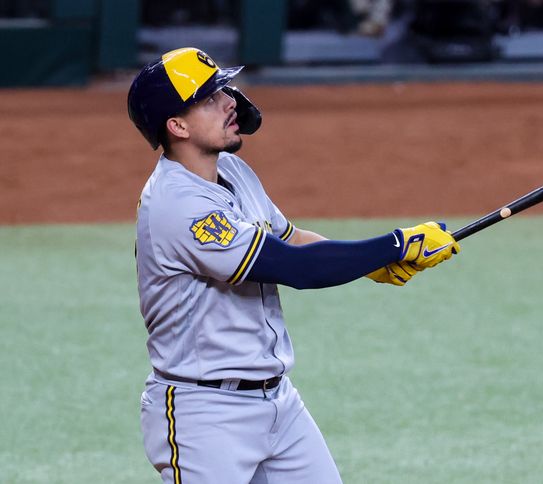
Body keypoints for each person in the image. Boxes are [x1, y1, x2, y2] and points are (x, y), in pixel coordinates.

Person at [127, 47, 460, 483]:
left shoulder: (233, 170)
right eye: (210, 98)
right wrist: (394, 246)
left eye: (224, 90)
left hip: (279, 404)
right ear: (177, 126)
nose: (229, 101)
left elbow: (292, 239)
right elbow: (297, 268)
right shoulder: (178, 204)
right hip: (204, 416)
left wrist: (371, 264)